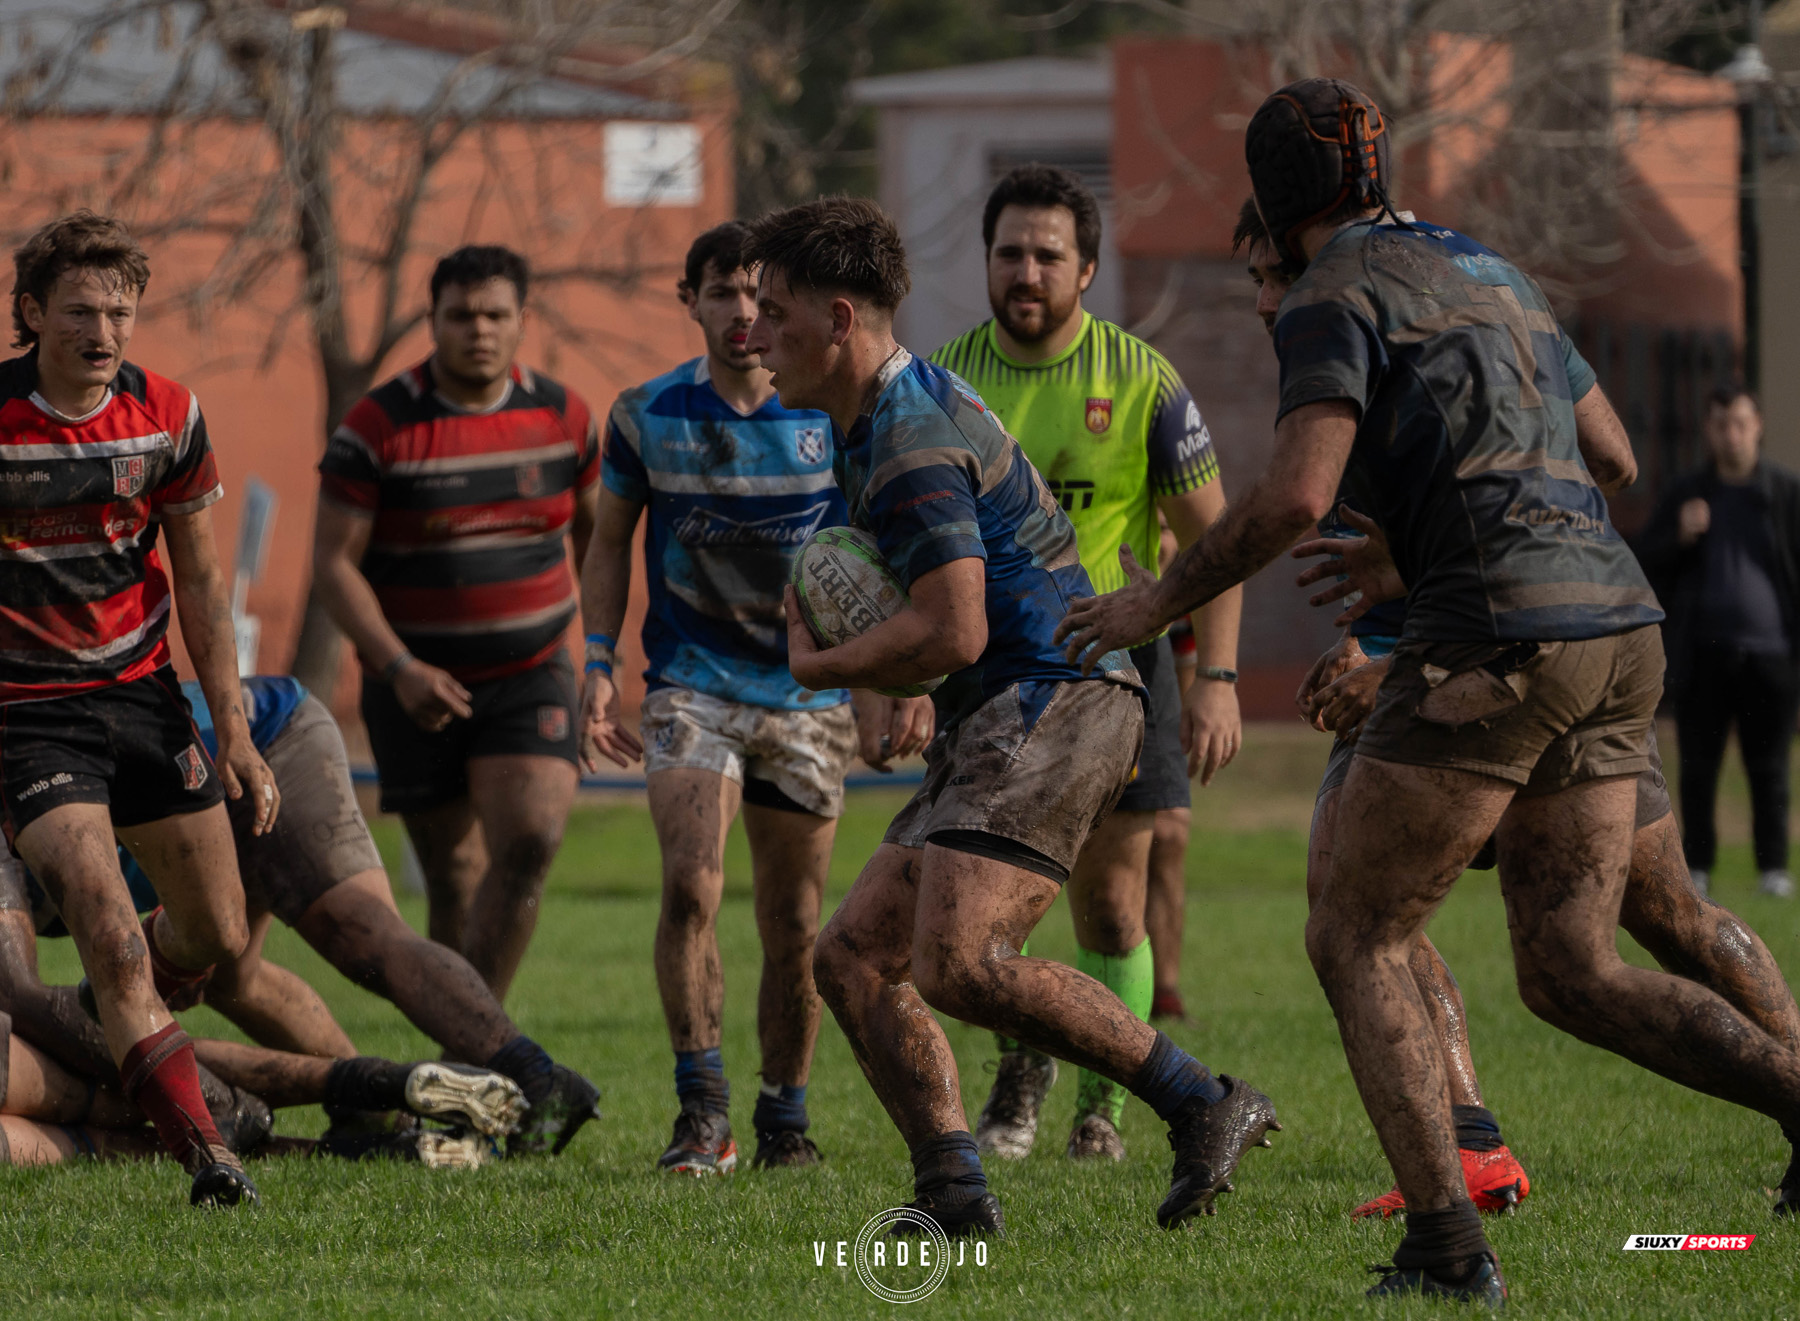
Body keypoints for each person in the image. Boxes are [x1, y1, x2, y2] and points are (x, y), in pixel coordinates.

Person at [1059, 79, 1800, 1300]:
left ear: (1276, 201)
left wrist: (1154, 603)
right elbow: (1610, 457)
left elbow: (1297, 494)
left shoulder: (1329, 292)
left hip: (1497, 636)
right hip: (1620, 629)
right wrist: (1436, 538)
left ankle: (1448, 1248)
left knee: (1355, 929)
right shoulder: (1493, 271)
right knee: (1571, 968)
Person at [743, 197, 1279, 1237]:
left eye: (772, 311)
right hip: (1007, 705)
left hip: (1056, 696)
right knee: (852, 956)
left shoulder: (908, 435)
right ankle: (955, 1189)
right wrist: (871, 676)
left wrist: (822, 663)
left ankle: (1202, 1101)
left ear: (839, 318)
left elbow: (954, 628)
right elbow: (893, 597)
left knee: (959, 960)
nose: (751, 334)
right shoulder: (873, 419)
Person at [578, 222, 930, 1175]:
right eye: (720, 293)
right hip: (691, 683)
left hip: (806, 695)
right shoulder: (644, 416)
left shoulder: (827, 413)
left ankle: (785, 1118)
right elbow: (607, 545)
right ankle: (702, 1112)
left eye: (755, 295)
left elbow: (876, 555)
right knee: (691, 884)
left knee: (794, 919)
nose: (740, 313)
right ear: (687, 300)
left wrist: (880, 681)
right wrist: (598, 658)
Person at [932, 164, 1242, 1162]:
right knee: (991, 909)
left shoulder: (1142, 379)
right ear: (986, 262)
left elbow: (1214, 541)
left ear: (1089, 269)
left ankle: (1099, 1113)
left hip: (1120, 675)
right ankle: (1018, 1087)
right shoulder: (942, 384)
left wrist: (1217, 679)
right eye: (1009, 252)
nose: (1026, 271)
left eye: (1047, 255)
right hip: (992, 680)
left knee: (1114, 905)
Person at [0, 211, 279, 1207]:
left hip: (144, 698)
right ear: (31, 313)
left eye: (120, 309)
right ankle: (211, 1157)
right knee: (112, 930)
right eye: (80, 308)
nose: (104, 328)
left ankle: (104, 1013)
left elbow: (202, 585)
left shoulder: (168, 414)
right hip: (29, 718)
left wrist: (234, 733)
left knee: (216, 934)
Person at [314, 246, 598, 1000]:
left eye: (495, 315)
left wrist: (600, 650)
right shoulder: (377, 424)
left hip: (532, 671)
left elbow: (599, 539)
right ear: (433, 319)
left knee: (531, 840)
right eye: (461, 315)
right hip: (412, 682)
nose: (479, 329)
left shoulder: (564, 416)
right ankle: (460, 1037)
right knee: (453, 875)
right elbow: (333, 565)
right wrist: (399, 667)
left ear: (521, 322)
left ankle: (482, 1045)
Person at [161, 675, 598, 1155]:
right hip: (190, 782)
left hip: (268, 738)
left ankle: (536, 1079)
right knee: (230, 980)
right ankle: (374, 1107)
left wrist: (397, 663)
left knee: (361, 932)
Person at [1637, 386, 1800, 898]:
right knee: (1698, 767)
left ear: (1758, 426)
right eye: (1722, 424)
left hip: (1772, 657)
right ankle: (1699, 869)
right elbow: (1643, 564)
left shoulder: (1784, 494)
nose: (1732, 434)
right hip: (1703, 654)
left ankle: (1773, 870)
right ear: (1710, 430)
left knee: (1769, 768)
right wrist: (1679, 536)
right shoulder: (1688, 494)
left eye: (1741, 423)